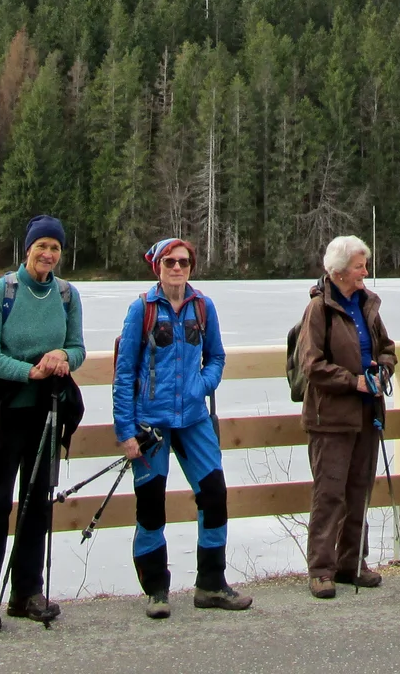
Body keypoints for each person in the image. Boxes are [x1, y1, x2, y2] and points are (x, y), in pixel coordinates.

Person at [113, 236, 252, 617]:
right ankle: (156, 590)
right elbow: (124, 373)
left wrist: (201, 386)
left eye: (184, 262)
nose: (177, 268)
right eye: (170, 262)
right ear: (156, 266)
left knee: (214, 494)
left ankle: (211, 584)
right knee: (151, 505)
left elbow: (217, 357)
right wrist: (125, 431)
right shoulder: (140, 310)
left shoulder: (203, 307)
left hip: (194, 419)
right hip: (150, 423)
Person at [0, 214, 85, 635]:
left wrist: (63, 358)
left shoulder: (67, 295)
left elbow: (78, 347)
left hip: (47, 412)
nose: (48, 255)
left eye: (55, 248)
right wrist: (30, 370)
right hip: (3, 412)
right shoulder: (0, 293)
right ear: (27, 249)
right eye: (41, 247)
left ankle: (26, 593)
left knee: (37, 503)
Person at [297, 234, 397, 599]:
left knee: (359, 491)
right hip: (331, 417)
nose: (365, 272)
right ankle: (321, 569)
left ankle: (352, 563)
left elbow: (387, 348)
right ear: (339, 271)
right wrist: (352, 381)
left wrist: (381, 370)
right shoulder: (318, 309)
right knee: (329, 494)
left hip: (368, 413)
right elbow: (311, 365)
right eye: (359, 266)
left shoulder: (367, 304)